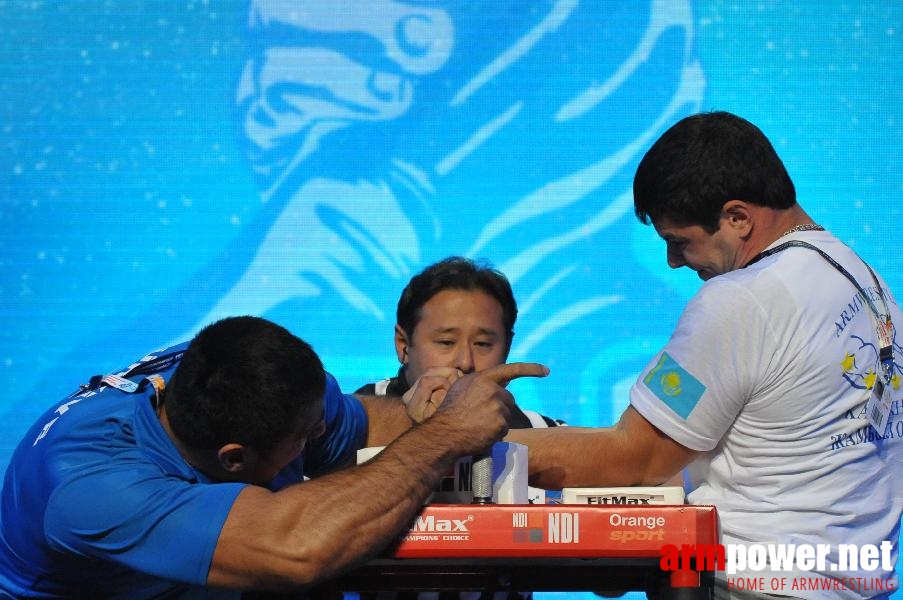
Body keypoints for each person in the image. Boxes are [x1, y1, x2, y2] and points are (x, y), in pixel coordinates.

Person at [507, 111, 903, 599]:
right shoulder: (868, 286)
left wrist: (467, 445)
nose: (673, 262)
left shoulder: (743, 300)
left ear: (737, 218)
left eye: (679, 242)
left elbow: (637, 458)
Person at [0, 315, 546, 598]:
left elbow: (364, 424)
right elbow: (297, 548)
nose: (319, 435)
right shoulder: (92, 488)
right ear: (234, 459)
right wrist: (442, 438)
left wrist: (446, 412)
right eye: (306, 436)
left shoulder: (229, 381)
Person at [356, 256, 564, 431]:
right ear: (403, 344)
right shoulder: (349, 423)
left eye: (482, 344)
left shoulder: (546, 434)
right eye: (446, 342)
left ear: (507, 347)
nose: (465, 362)